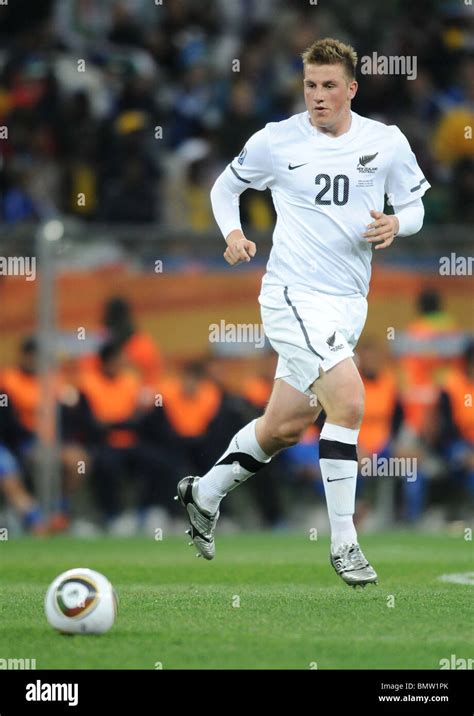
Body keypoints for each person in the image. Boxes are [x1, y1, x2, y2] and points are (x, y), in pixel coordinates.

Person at [176, 38, 430, 587]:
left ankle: (203, 493)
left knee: (286, 425)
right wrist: (234, 233)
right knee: (350, 401)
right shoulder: (276, 140)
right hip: (292, 294)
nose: (318, 96)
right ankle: (346, 542)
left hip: (348, 304)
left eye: (329, 86)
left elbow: (414, 206)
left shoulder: (385, 142)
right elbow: (226, 187)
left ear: (351, 89)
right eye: (311, 85)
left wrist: (396, 224)